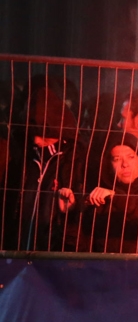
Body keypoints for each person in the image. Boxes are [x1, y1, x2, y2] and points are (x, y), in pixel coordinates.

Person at [61, 133, 138, 254]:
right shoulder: (101, 197)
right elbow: (83, 249)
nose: (125, 164)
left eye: (131, 157)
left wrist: (118, 198)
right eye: (116, 159)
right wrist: (71, 213)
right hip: (109, 271)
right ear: (109, 165)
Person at [3, 84, 87, 252]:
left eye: (42, 132)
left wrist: (74, 206)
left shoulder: (75, 157)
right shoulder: (23, 154)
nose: (35, 140)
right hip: (18, 247)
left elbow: (84, 199)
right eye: (33, 131)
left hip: (57, 248)